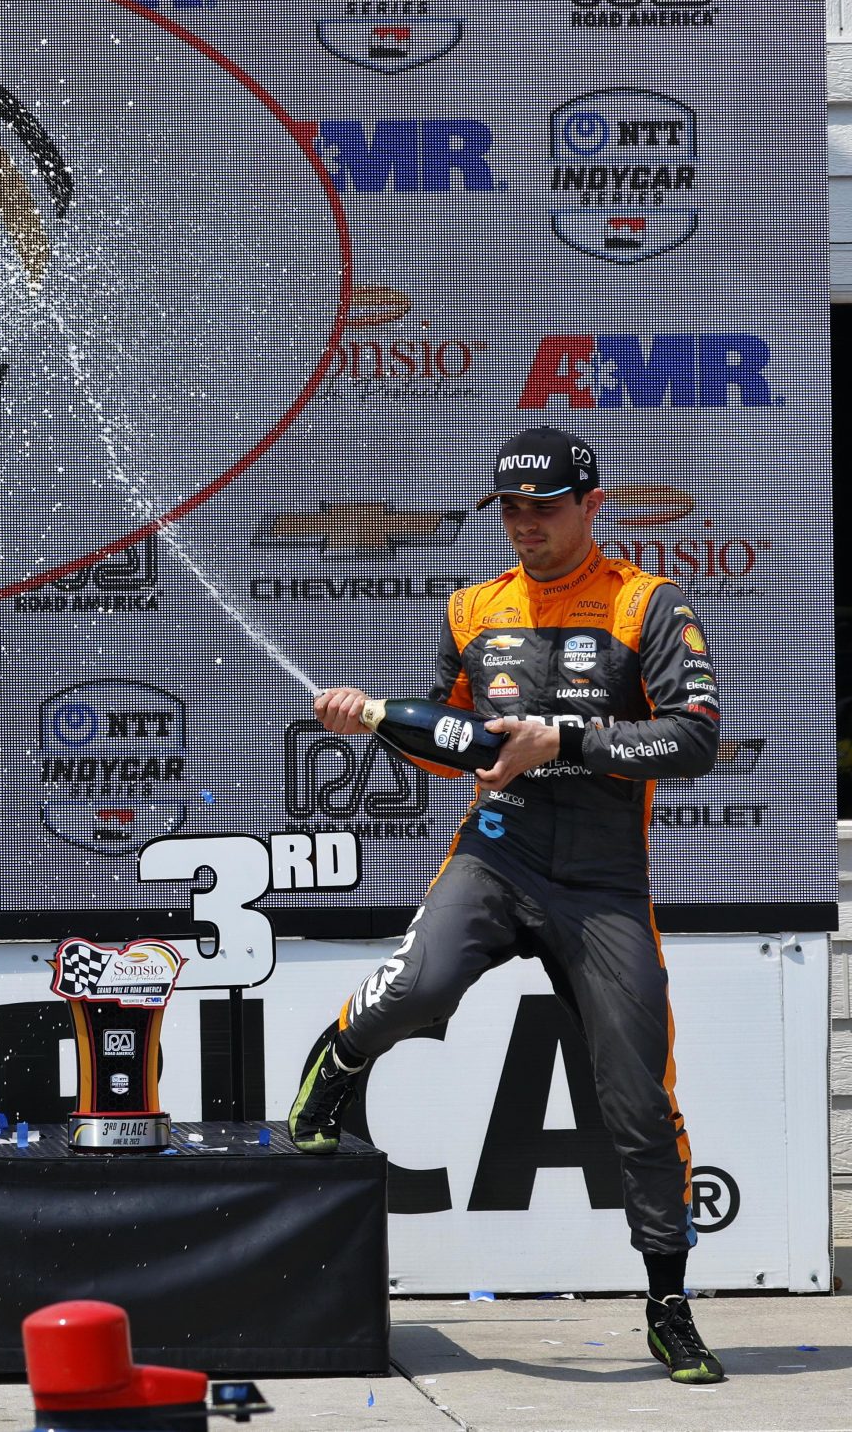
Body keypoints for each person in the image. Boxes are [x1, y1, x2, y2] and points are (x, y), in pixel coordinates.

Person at [285, 426, 725, 1384]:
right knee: (420, 987)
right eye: (510, 509)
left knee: (637, 1098)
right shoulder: (472, 606)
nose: (525, 525)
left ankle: (669, 1306)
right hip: (497, 852)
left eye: (544, 507)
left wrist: (562, 740)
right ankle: (340, 1057)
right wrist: (370, 717)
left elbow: (694, 737)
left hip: (604, 880)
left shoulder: (646, 602)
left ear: (591, 505)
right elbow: (444, 734)